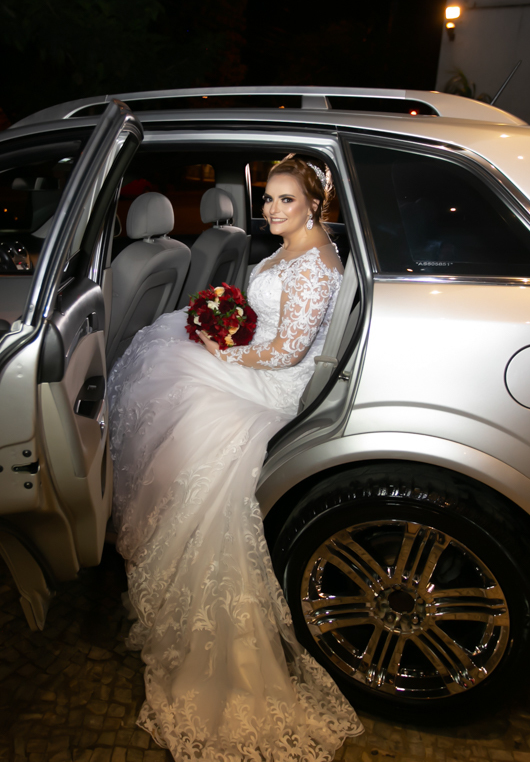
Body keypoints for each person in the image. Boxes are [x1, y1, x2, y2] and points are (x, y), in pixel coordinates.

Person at [107, 155, 363, 762]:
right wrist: (226, 328)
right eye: (268, 198)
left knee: (176, 385)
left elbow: (288, 352)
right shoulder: (295, 248)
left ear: (315, 205)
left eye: (286, 200)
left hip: (274, 384)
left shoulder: (316, 264)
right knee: (165, 354)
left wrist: (223, 350)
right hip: (259, 360)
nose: (271, 209)